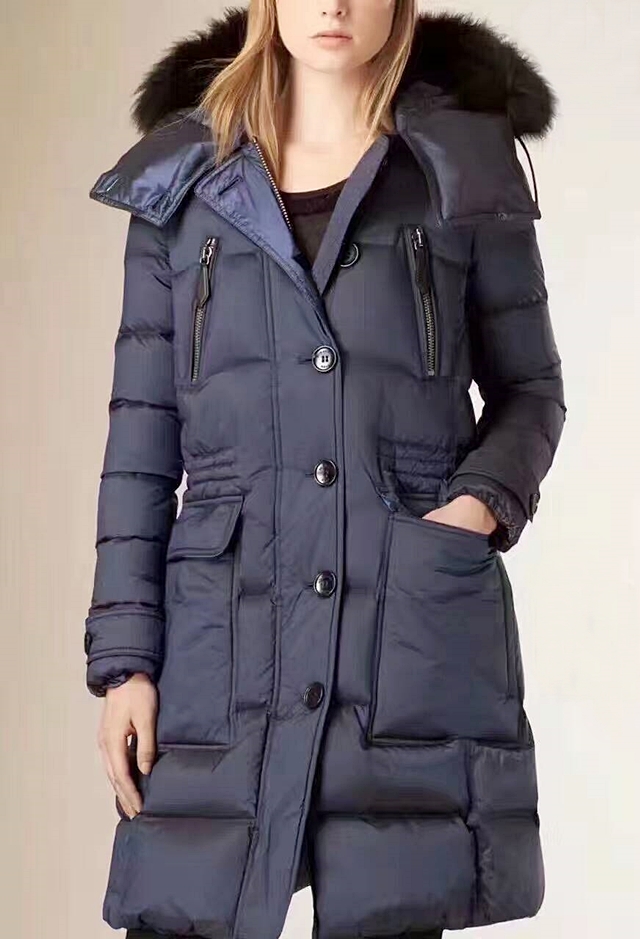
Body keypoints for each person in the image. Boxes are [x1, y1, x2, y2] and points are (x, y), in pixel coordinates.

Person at [83, 2, 567, 938]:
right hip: (224, 641)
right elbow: (139, 445)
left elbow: (532, 389)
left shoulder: (463, 168)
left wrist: (474, 508)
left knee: (390, 908)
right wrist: (125, 663)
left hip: (402, 635)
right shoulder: (181, 183)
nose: (334, 4)